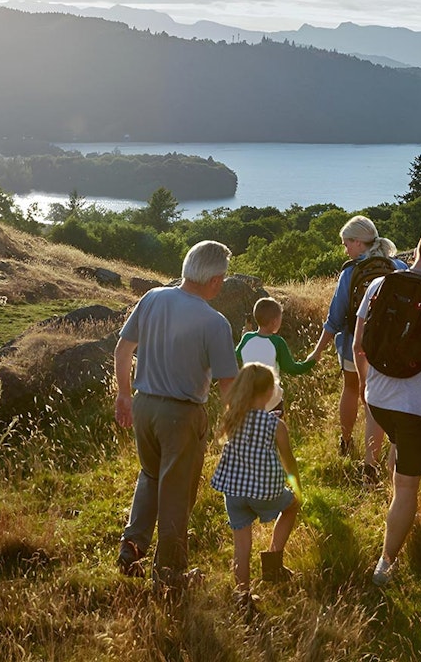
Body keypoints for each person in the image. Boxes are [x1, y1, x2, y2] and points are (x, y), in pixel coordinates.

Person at [114, 240, 240, 591]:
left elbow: (123, 351)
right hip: (181, 416)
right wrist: (237, 424)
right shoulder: (215, 322)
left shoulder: (152, 298)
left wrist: (124, 395)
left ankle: (132, 546)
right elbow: (227, 383)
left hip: (144, 406)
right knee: (177, 492)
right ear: (215, 279)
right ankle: (169, 573)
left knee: (151, 475)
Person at [352, 223, 421, 586]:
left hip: (378, 400)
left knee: (397, 453)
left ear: (417, 250)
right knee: (407, 488)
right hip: (415, 407)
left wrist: (367, 385)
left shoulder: (379, 284)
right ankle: (387, 562)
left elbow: (358, 345)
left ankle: (392, 510)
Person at [307, 216, 407, 478]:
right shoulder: (399, 266)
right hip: (392, 348)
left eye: (346, 243)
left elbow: (335, 319)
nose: (345, 250)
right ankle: (384, 450)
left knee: (351, 388)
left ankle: (346, 441)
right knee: (386, 396)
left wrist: (317, 352)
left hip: (356, 344)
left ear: (359, 243)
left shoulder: (350, 272)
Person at [210, 362, 301, 614]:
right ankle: (273, 562)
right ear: (270, 392)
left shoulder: (232, 419)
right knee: (292, 506)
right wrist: (297, 486)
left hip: (234, 492)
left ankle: (243, 596)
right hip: (264, 492)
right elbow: (289, 461)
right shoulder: (275, 426)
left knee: (241, 546)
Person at [235, 296, 316, 417]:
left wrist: (244, 337)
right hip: (271, 400)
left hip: (248, 398)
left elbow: (236, 355)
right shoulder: (278, 342)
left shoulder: (247, 338)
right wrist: (311, 361)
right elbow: (292, 369)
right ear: (274, 322)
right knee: (274, 433)